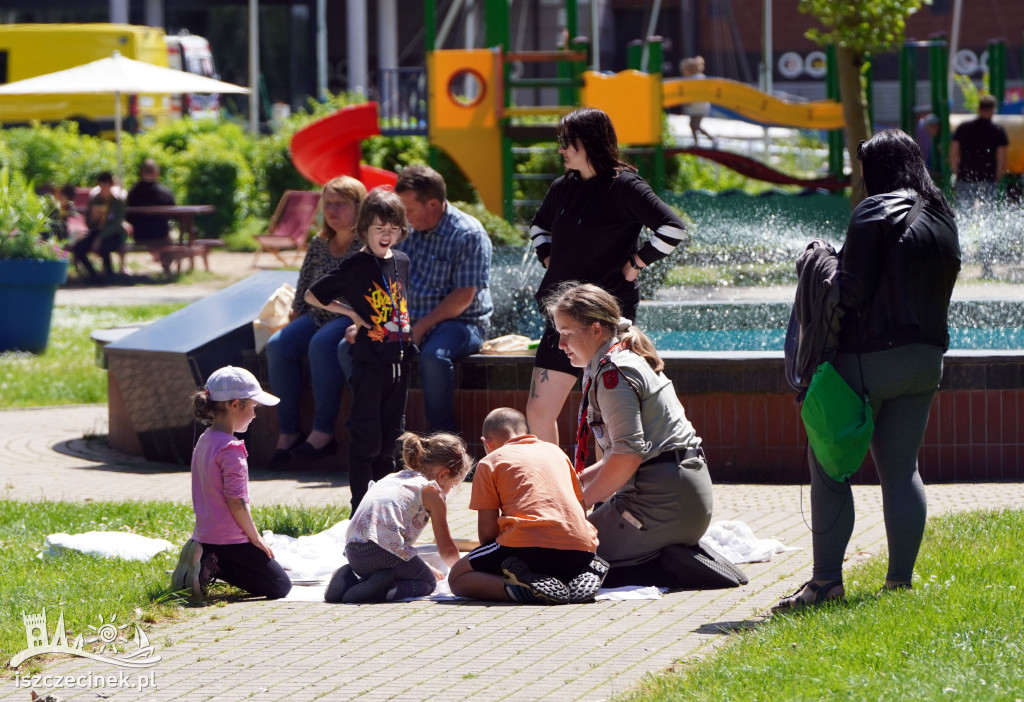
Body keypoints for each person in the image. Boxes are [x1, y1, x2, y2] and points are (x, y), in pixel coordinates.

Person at [775, 130, 960, 610]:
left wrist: (821, 261)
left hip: (868, 359)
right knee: (901, 470)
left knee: (831, 468)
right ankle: (899, 583)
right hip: (926, 360)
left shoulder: (873, 209)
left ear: (874, 169)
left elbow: (850, 290)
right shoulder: (943, 217)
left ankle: (824, 583)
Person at [546, 282, 747, 590]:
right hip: (677, 497)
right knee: (565, 539)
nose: (560, 344)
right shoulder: (622, 359)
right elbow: (631, 452)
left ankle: (665, 565)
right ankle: (666, 555)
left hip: (659, 503)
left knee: (558, 551)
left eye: (567, 332)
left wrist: (579, 504)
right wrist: (578, 481)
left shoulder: (615, 372)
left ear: (595, 329)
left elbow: (628, 456)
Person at [526, 107, 689, 445]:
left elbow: (673, 229)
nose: (561, 150)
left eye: (567, 142)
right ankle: (556, 493)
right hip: (563, 318)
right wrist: (547, 256)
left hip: (606, 316)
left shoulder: (625, 185)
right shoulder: (563, 187)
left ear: (589, 142)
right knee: (539, 411)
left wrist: (638, 261)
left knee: (606, 414)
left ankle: (608, 497)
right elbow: (539, 225)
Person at [306, 187, 414, 511]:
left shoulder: (403, 260)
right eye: (380, 228)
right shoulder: (356, 264)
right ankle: (359, 510)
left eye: (393, 228)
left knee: (392, 439)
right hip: (370, 361)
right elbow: (314, 295)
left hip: (401, 359)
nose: (387, 234)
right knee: (366, 436)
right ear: (365, 226)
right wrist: (352, 313)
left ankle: (385, 509)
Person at [447, 407, 609, 605]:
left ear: (486, 443)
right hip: (581, 550)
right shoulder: (557, 453)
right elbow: (580, 510)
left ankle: (524, 590)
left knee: (457, 577)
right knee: (553, 561)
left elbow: (487, 533)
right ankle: (579, 574)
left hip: (524, 548)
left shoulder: (490, 461)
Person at [264, 176, 367, 469]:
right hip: (315, 314)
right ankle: (289, 432)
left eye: (341, 204)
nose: (332, 211)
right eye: (328, 204)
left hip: (348, 314)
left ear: (359, 208)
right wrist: (295, 314)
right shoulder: (320, 243)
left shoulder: (366, 244)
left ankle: (323, 433)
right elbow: (303, 285)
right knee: (277, 346)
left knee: (322, 344)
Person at [171, 366, 292, 600]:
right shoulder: (231, 448)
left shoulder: (205, 440)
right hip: (230, 539)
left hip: (206, 535)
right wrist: (255, 539)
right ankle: (214, 565)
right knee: (279, 586)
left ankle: (208, 557)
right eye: (253, 407)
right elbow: (237, 502)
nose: (255, 415)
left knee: (266, 573)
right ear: (235, 404)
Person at [393, 164, 493, 434]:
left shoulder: (468, 234)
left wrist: (421, 327)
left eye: (408, 210)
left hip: (461, 322)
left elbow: (464, 297)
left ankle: (443, 442)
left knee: (434, 357)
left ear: (433, 204)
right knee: (350, 348)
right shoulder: (405, 230)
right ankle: (382, 435)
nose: (403, 217)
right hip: (408, 319)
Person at [324, 431, 471, 604]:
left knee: (404, 571)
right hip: (381, 553)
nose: (449, 491)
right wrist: (463, 572)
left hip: (354, 554)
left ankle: (349, 581)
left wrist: (423, 566)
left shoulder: (393, 477)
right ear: (443, 475)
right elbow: (446, 550)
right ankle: (381, 592)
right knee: (428, 582)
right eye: (453, 486)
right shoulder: (432, 491)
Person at [950, 94, 1008, 209]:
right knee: (988, 213)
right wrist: (998, 175)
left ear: (978, 109)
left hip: (965, 175)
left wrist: (956, 170)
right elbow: (1002, 156)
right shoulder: (997, 130)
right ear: (992, 110)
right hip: (988, 176)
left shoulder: (963, 128)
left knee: (964, 211)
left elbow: (953, 152)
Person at [71, 171, 127, 282]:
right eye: (101, 187)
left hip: (113, 234)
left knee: (103, 248)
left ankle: (110, 275)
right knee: (78, 248)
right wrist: (93, 218)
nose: (103, 190)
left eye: (105, 187)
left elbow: (116, 224)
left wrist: (99, 238)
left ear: (111, 186)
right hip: (97, 231)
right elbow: (89, 224)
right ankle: (93, 274)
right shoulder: (95, 200)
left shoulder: (117, 202)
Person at [126, 158, 176, 258]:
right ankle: (165, 263)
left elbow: (128, 216)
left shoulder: (132, 192)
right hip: (161, 235)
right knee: (172, 241)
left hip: (140, 236)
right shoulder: (165, 192)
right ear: (156, 172)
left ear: (141, 172)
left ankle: (160, 259)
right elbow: (174, 214)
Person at [680, 56, 714, 146]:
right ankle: (697, 142)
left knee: (695, 125)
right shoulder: (697, 78)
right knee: (693, 125)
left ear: (689, 70)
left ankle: (709, 139)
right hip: (697, 107)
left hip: (698, 107)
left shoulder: (695, 79)